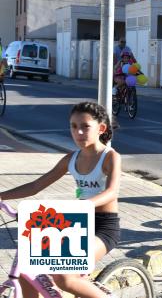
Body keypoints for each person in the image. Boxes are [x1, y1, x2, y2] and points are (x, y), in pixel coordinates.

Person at [0, 102, 120, 298]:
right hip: (75, 224)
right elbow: (36, 186)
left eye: (85, 126)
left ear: (101, 128)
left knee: (64, 277)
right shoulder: (71, 159)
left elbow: (112, 192)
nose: (78, 132)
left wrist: (83, 204)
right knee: (26, 268)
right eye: (73, 126)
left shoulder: (109, 157)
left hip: (103, 227)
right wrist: (2, 196)